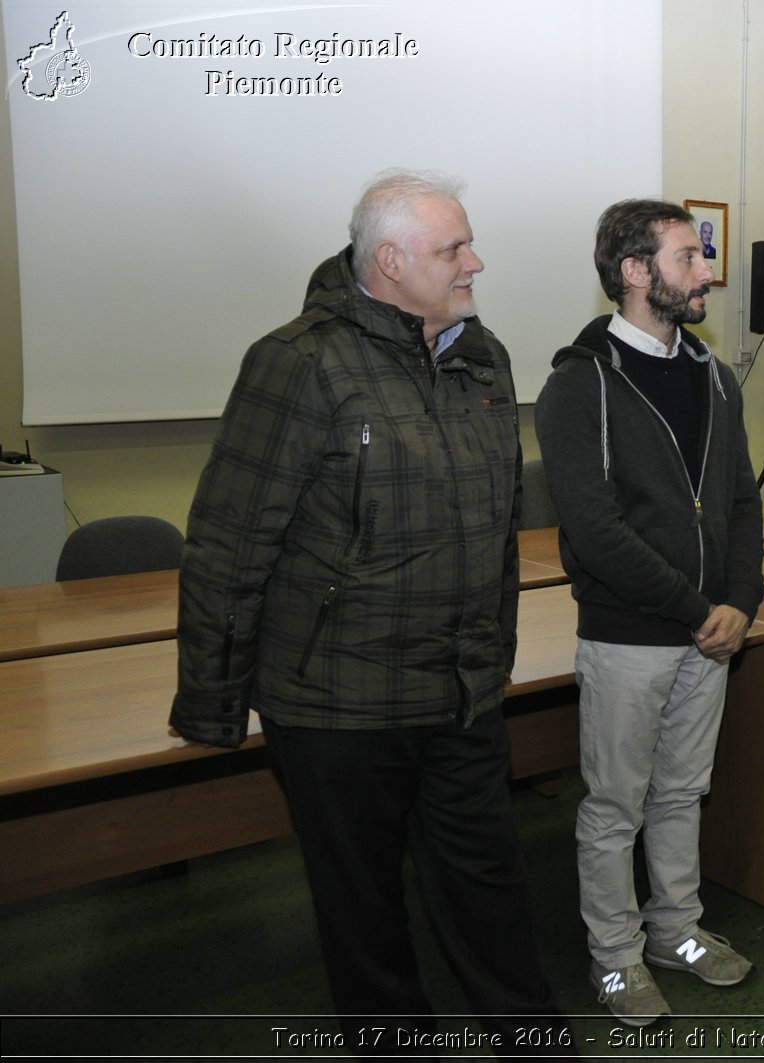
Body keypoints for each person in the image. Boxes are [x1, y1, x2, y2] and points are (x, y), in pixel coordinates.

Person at [168, 170, 569, 1056]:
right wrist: (213, 702)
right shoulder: (299, 361)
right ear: (388, 262)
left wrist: (492, 656)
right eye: (453, 249)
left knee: (492, 892)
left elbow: (495, 529)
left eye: (467, 242)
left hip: (460, 691)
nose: (477, 262)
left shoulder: (482, 355)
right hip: (339, 707)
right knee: (366, 920)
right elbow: (230, 543)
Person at [534, 199, 764, 1026]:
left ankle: (676, 931)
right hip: (632, 635)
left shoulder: (712, 373)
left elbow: (741, 497)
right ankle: (615, 957)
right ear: (635, 274)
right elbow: (594, 529)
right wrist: (699, 606)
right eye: (687, 257)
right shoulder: (578, 383)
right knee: (615, 807)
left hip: (711, 633)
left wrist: (742, 600)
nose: (706, 271)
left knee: (682, 792)